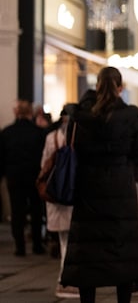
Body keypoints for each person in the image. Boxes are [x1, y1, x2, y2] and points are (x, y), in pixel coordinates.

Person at [60, 67, 138, 303]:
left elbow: (71, 146)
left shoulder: (80, 117)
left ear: (96, 86)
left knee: (88, 253)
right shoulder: (132, 118)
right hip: (121, 188)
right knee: (122, 250)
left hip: (88, 188)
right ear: (121, 88)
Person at [40, 104, 78, 298]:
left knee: (64, 239)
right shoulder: (77, 137)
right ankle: (67, 280)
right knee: (72, 240)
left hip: (55, 194)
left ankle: (64, 279)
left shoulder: (51, 137)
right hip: (72, 193)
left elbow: (44, 165)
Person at [0, 99, 46, 257]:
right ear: (30, 113)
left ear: (16, 112)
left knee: (17, 211)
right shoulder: (38, 133)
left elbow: (1, 157)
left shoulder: (6, 133)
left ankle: (20, 246)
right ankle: (37, 244)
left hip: (14, 177)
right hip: (34, 176)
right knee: (36, 210)